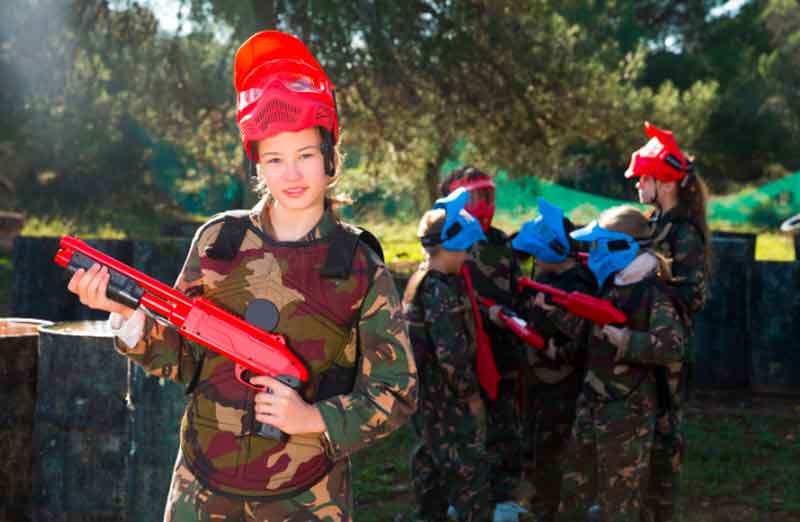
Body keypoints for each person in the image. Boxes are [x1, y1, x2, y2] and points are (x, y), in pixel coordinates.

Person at [66, 30, 417, 521]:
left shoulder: (358, 264)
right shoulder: (219, 243)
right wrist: (124, 312)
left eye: (306, 156)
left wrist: (312, 417)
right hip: (202, 490)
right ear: (257, 164)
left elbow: (396, 391)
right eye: (274, 159)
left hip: (308, 498)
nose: (291, 174)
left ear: (330, 157)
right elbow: (179, 358)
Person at [546, 205, 687, 522]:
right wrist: (554, 310)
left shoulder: (654, 293)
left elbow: (672, 346)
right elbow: (590, 335)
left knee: (619, 499)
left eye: (599, 244)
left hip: (628, 409)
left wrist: (626, 340)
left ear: (621, 247)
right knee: (574, 488)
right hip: (593, 399)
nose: (593, 252)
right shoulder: (612, 282)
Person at [625, 122, 711, 522]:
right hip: (647, 344)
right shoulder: (654, 222)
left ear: (663, 182)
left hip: (669, 353)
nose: (638, 185)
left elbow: (694, 296)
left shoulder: (683, 233)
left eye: (643, 177)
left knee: (665, 441)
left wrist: (651, 276)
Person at [439, 165, 527, 504]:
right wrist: (483, 310)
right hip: (463, 349)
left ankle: (504, 498)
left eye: (487, 195)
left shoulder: (499, 242)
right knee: (462, 429)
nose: (483, 203)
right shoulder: (446, 240)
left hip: (503, 346)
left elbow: (515, 285)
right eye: (474, 195)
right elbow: (445, 289)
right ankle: (459, 499)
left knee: (505, 423)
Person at [403, 188, 491, 522]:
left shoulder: (418, 280)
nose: (467, 256)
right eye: (465, 249)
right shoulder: (439, 291)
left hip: (423, 397)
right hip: (444, 398)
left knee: (429, 462)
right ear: (451, 245)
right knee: (468, 471)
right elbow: (450, 355)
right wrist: (470, 397)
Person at [510, 198, 595, 522]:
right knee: (535, 448)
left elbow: (580, 344)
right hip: (539, 381)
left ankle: (551, 511)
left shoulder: (578, 287)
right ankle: (540, 506)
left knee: (552, 453)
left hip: (560, 385)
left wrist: (550, 336)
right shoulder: (548, 278)